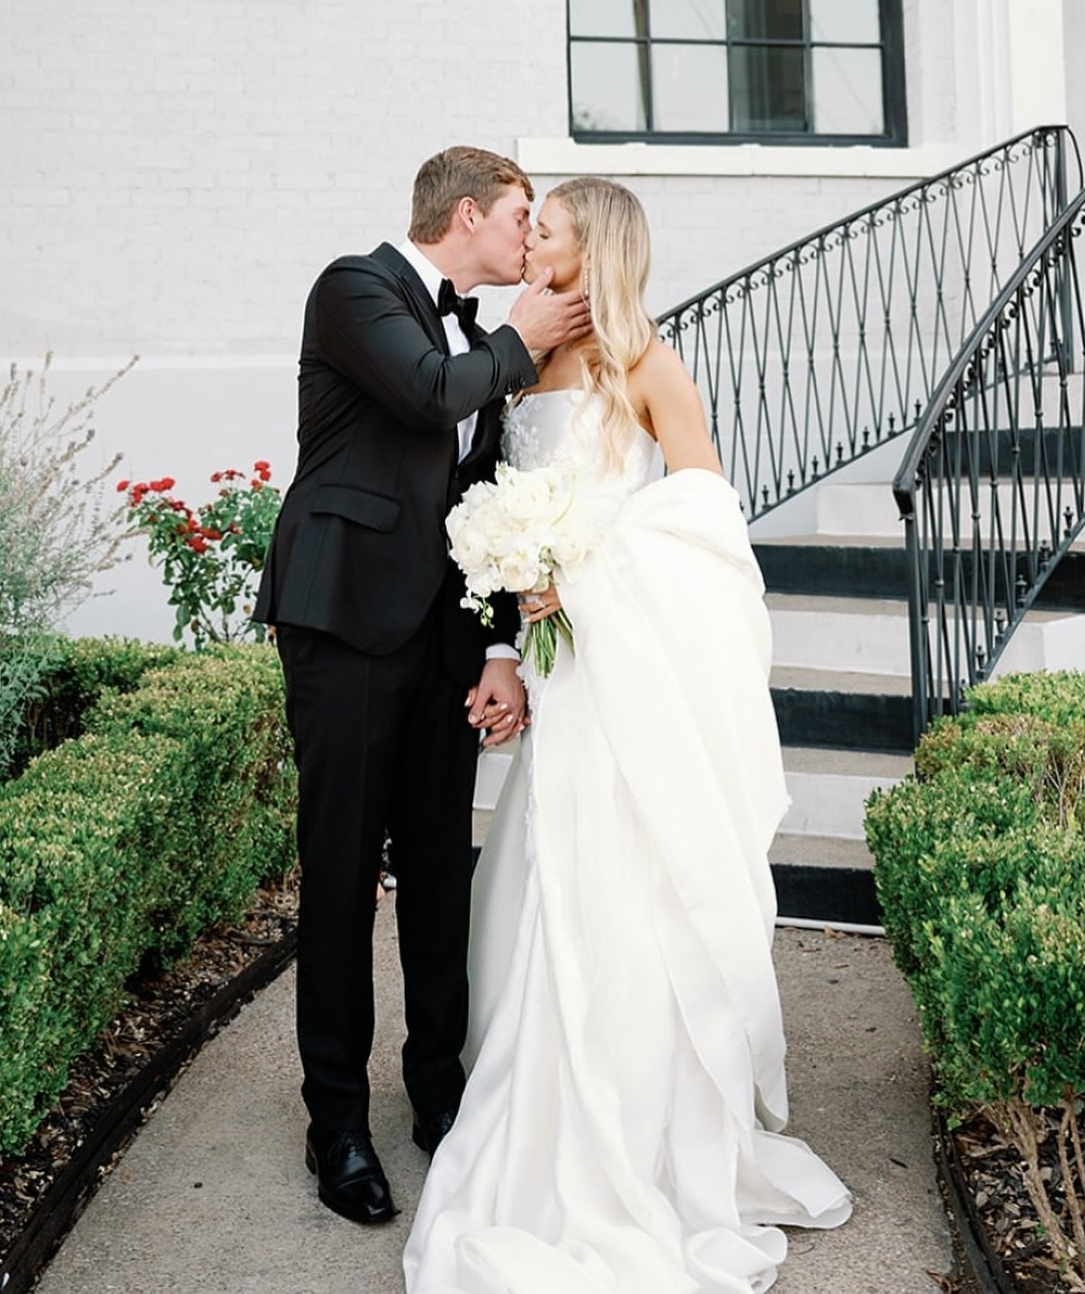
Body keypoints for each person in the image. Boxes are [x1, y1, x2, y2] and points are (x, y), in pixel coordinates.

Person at [403, 177, 852, 1293]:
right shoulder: (515, 366)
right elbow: (496, 516)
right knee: (546, 865)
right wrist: (516, 605)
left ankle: (643, 1124)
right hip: (558, 669)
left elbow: (704, 520)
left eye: (542, 228)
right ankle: (535, 1090)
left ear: (586, 248)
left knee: (625, 869)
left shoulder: (645, 362)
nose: (526, 240)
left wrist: (582, 570)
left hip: (624, 665)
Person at [255, 147, 592, 1228]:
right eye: (518, 217)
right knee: (344, 878)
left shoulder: (488, 341)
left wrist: (499, 648)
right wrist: (523, 336)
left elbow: (493, 498)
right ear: (463, 215)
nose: (527, 237)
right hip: (343, 625)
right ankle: (336, 1122)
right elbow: (425, 391)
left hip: (446, 644)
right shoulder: (356, 287)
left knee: (441, 877)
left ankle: (439, 1092)